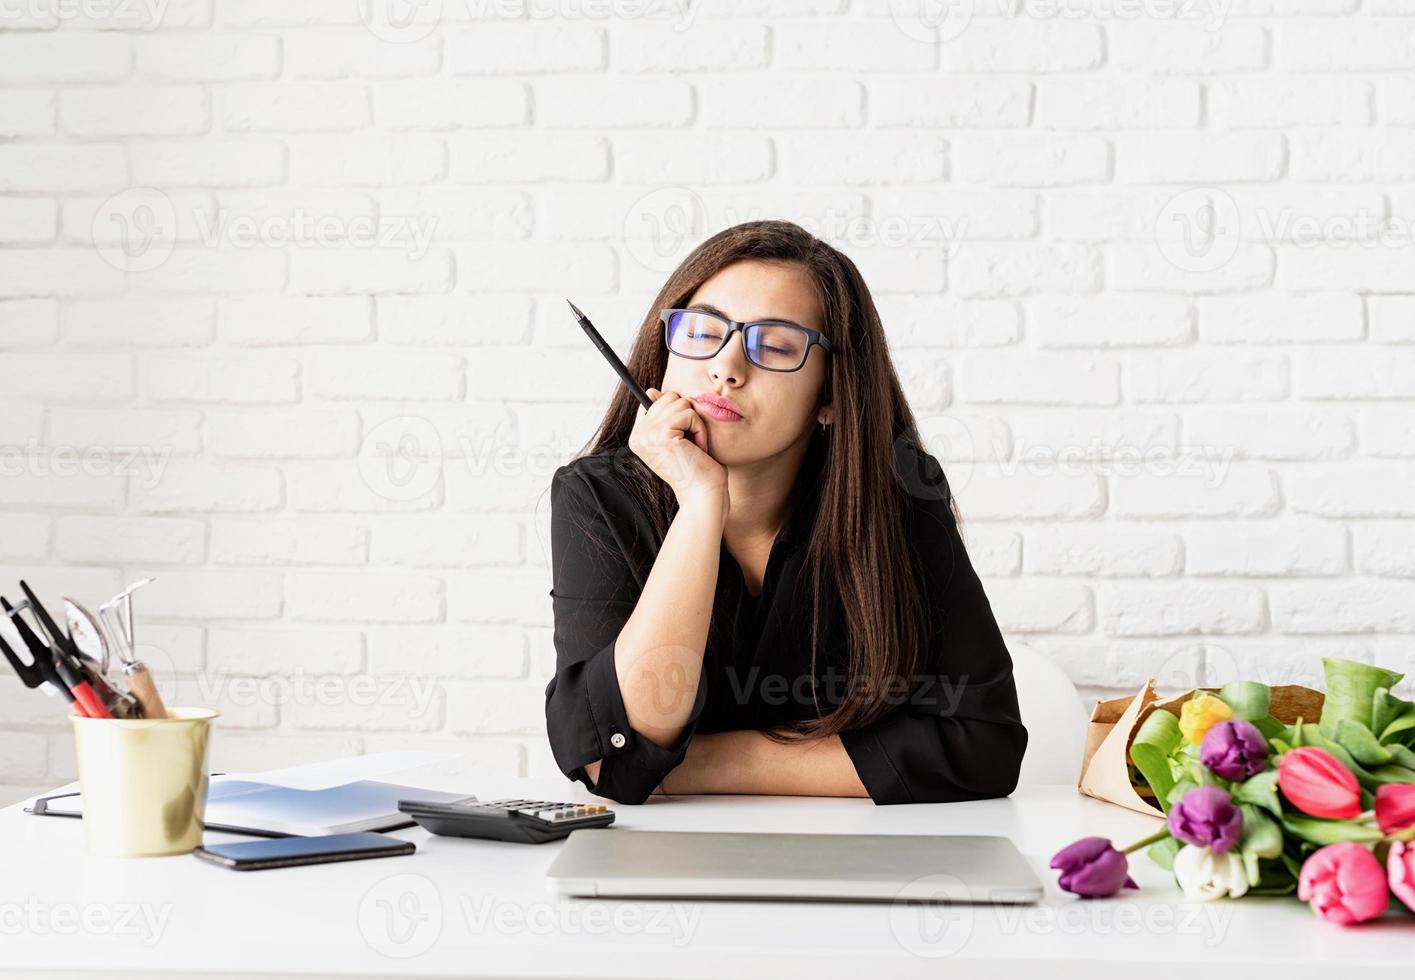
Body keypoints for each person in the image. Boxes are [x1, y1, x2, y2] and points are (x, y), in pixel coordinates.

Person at [544, 220, 1027, 805]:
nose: (726, 368)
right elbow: (620, 745)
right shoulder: (599, 497)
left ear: (830, 396)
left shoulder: (897, 496)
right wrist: (700, 503)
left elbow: (983, 745)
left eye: (774, 346)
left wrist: (707, 764)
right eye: (701, 332)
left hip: (860, 855)